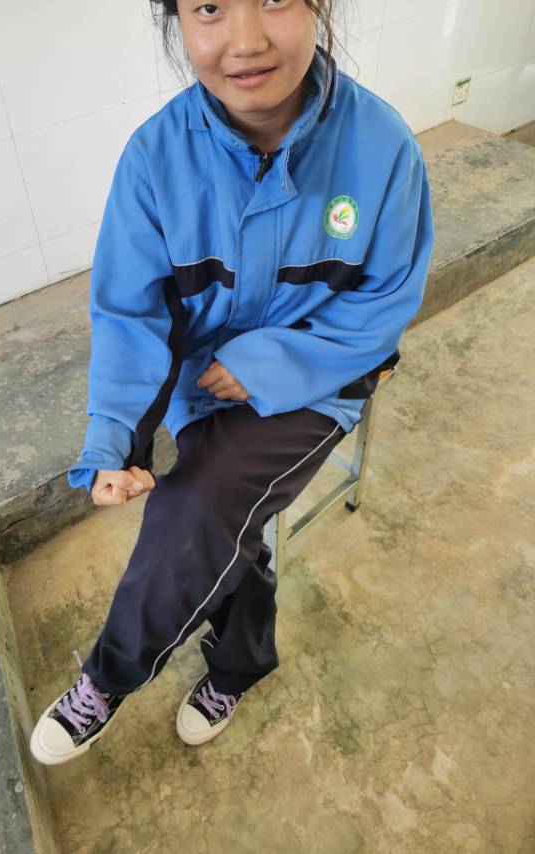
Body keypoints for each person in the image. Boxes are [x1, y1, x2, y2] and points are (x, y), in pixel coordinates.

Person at [30, 0, 435, 765]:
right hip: (200, 381)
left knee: (198, 502)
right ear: (178, 22)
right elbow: (130, 314)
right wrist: (115, 439)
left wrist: (260, 366)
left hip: (320, 377)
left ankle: (109, 678)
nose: (245, 40)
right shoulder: (155, 158)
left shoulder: (383, 148)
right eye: (210, 7)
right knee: (227, 523)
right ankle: (241, 664)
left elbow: (384, 304)